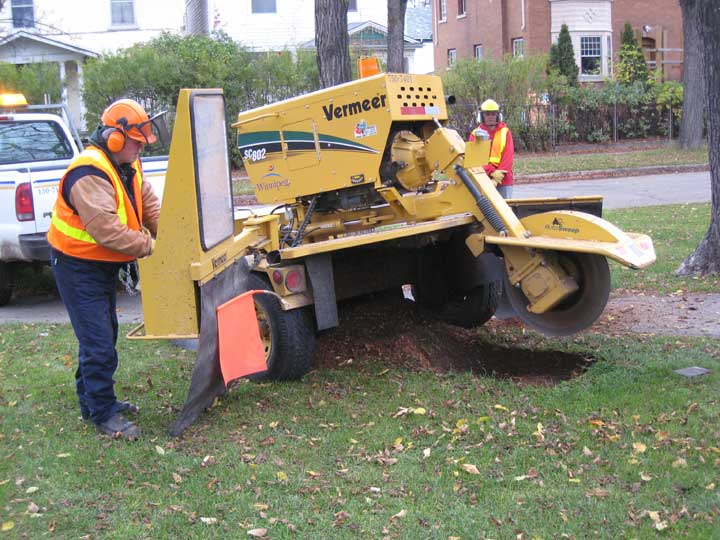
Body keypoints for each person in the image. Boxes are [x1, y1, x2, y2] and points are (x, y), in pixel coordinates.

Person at [47, 99, 162, 440]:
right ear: (114, 137)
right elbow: (106, 230)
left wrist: (170, 233)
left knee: (102, 334)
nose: (140, 148)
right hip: (77, 265)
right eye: (137, 142)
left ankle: (92, 402)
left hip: (99, 266)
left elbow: (149, 205)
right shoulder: (90, 172)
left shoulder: (128, 164)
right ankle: (103, 413)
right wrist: (150, 246)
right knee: (98, 342)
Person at [468, 98, 515, 198]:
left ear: (498, 115)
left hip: (504, 181)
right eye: (487, 114)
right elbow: (475, 159)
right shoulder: (475, 134)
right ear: (482, 116)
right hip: (483, 179)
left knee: (505, 211)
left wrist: (498, 178)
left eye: (493, 114)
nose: (490, 117)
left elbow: (508, 158)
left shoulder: (505, 132)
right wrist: (491, 172)